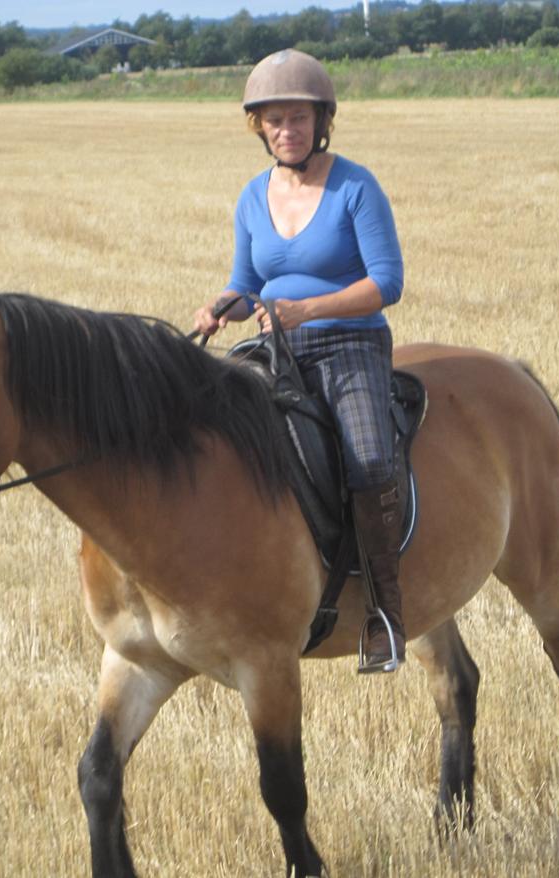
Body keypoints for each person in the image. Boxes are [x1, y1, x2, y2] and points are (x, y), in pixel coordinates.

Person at [193, 48, 406, 674]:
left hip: (350, 344)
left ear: (322, 121)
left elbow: (387, 283)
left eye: (299, 118)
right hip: (273, 347)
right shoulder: (252, 197)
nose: (288, 130)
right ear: (258, 127)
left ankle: (385, 614)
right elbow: (247, 281)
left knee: (368, 459)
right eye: (274, 119)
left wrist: (306, 311)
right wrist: (221, 306)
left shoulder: (355, 187)